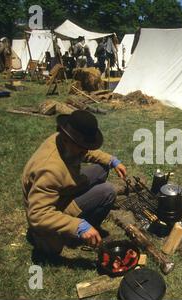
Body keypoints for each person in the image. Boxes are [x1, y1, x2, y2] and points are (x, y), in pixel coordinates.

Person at [22, 110, 127, 257]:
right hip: (54, 210)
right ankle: (76, 236)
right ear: (68, 139)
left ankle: (84, 223)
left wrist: (111, 160)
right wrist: (77, 226)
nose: (86, 151)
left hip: (63, 190)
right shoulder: (49, 170)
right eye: (82, 146)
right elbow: (37, 215)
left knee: (102, 168)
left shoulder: (62, 140)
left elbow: (88, 152)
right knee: (108, 191)